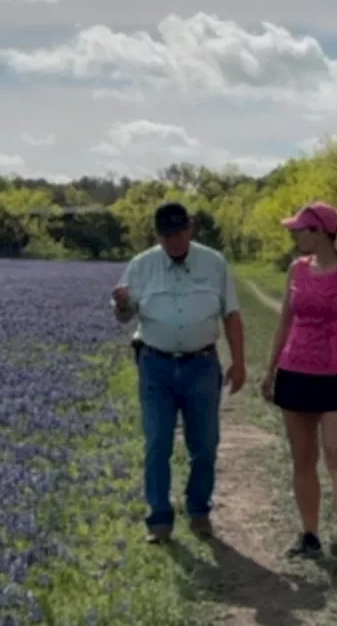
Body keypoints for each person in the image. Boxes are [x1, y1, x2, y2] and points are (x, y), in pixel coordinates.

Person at [111, 202, 246, 544]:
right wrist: (123, 305)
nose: (174, 240)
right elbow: (124, 316)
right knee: (157, 442)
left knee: (205, 443)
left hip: (201, 363)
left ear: (191, 228)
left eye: (179, 232)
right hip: (155, 363)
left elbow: (231, 314)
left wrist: (240, 361)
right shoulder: (141, 265)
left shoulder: (213, 262)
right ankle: (159, 518)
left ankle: (199, 508)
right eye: (166, 234)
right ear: (158, 235)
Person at [261, 200, 337, 568]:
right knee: (303, 459)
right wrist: (270, 369)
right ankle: (309, 535)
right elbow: (284, 323)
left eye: (300, 230)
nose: (294, 236)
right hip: (296, 371)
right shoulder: (296, 270)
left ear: (321, 232)